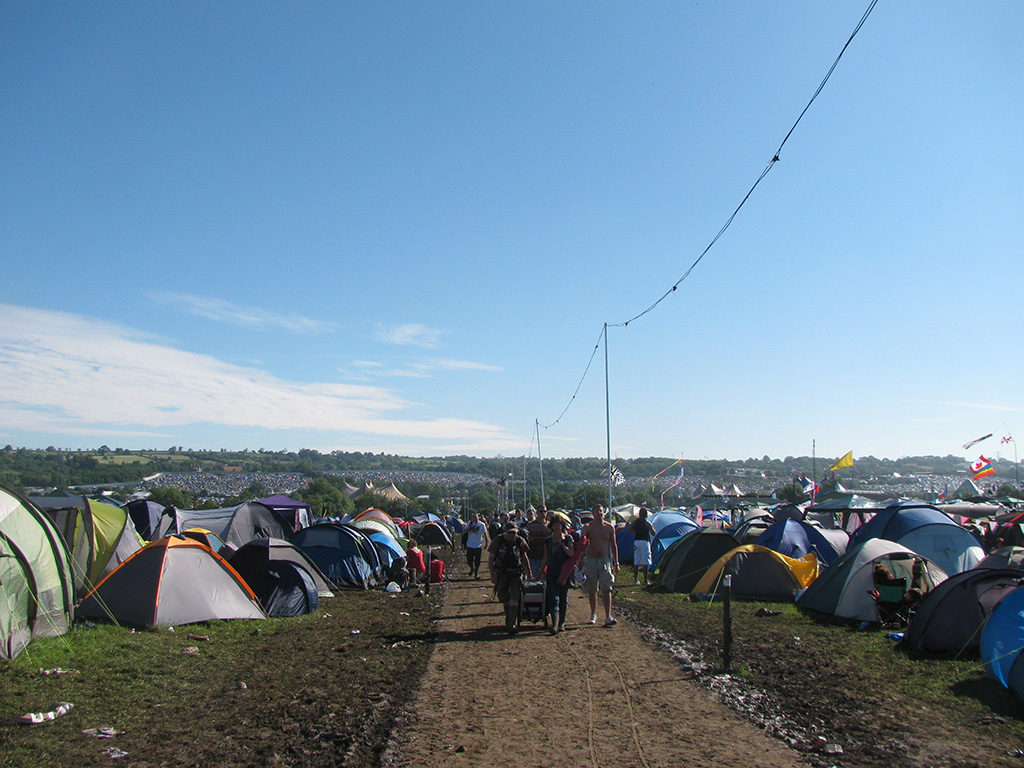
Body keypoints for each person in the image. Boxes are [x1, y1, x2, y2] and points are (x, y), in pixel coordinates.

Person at [489, 523, 532, 634]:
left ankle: (511, 623)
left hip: (516, 573)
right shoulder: (498, 541)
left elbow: (524, 557)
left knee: (515, 597)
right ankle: (509, 618)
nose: (513, 535)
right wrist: (492, 574)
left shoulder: (520, 541)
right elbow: (491, 558)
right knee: (503, 596)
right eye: (510, 533)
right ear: (505, 532)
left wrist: (529, 573)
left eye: (515, 532)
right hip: (502, 572)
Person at [581, 504, 619, 626]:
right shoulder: (587, 527)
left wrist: (616, 563)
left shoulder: (609, 528)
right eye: (596, 511)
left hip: (604, 560)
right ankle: (593, 614)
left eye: (601, 511)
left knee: (607, 588)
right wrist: (580, 560)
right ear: (593, 513)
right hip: (591, 559)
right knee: (592, 589)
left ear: (604, 513)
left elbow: (613, 545)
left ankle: (608, 616)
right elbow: (582, 545)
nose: (599, 513)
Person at [539, 514, 574, 634]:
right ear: (551, 527)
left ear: (562, 526)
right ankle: (554, 624)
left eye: (559, 525)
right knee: (553, 598)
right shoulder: (547, 541)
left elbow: (571, 554)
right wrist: (539, 573)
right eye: (555, 525)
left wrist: (562, 545)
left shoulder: (568, 539)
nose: (557, 527)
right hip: (552, 571)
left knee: (564, 598)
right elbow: (545, 558)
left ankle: (562, 623)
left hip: (564, 573)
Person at [630, 508, 656, 586]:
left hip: (637, 541)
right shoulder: (647, 522)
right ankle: (645, 580)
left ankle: (635, 580)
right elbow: (653, 533)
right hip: (645, 542)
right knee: (645, 562)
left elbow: (629, 531)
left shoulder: (635, 522)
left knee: (636, 561)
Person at [463, 513, 489, 579]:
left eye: (476, 517)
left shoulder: (481, 525)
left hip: (478, 545)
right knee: (469, 560)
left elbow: (485, 534)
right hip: (470, 545)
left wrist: (486, 543)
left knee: (477, 561)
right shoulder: (469, 523)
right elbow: (464, 532)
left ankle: (476, 573)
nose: (475, 519)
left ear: (478, 518)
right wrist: (469, 528)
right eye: (474, 517)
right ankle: (472, 568)